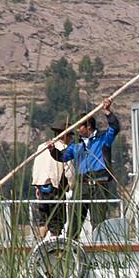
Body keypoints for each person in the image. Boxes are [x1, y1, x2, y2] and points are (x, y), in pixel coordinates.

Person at [66, 99, 121, 237]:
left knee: (98, 221)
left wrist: (108, 112)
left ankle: (99, 246)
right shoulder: (76, 144)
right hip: (82, 185)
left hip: (100, 184)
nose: (77, 130)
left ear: (88, 126)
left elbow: (115, 128)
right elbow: (63, 156)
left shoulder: (103, 138)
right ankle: (69, 246)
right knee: (75, 219)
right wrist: (52, 150)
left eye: (80, 127)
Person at [30, 135, 74, 239]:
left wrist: (37, 186)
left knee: (44, 219)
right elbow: (69, 171)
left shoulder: (41, 147)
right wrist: (72, 186)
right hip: (55, 187)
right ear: (66, 136)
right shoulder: (63, 148)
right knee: (57, 221)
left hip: (42, 186)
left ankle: (40, 242)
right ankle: (55, 247)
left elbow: (36, 167)